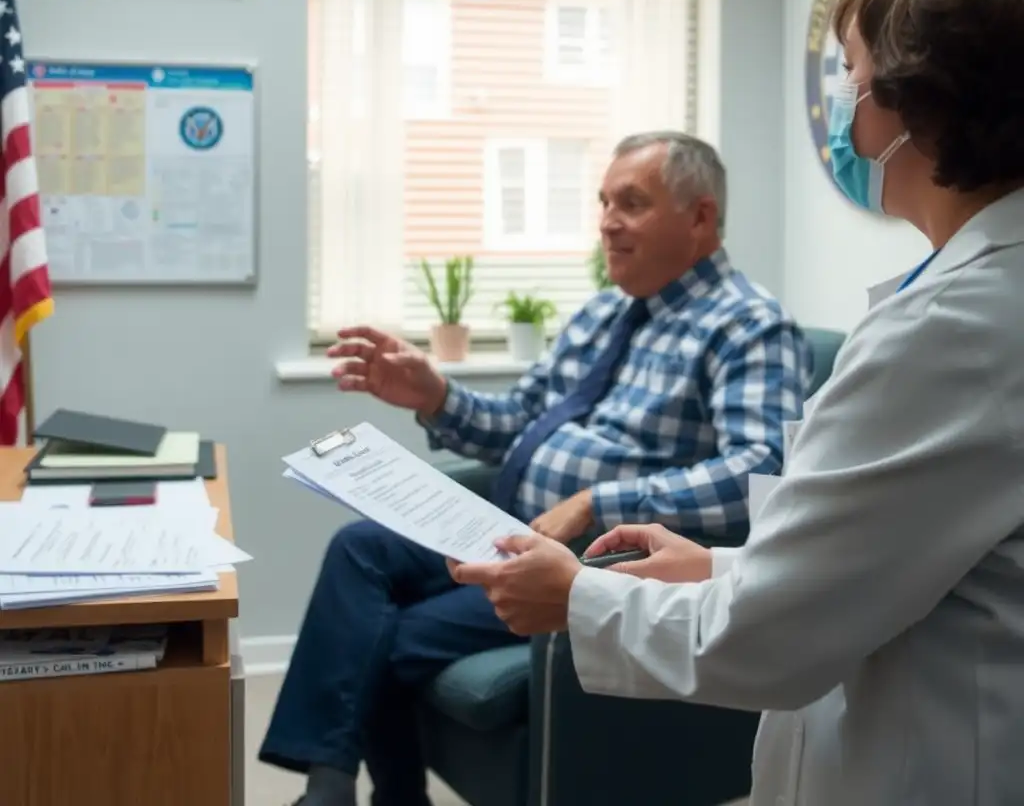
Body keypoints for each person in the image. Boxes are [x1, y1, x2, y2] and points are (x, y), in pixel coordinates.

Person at [451, 0, 1024, 806]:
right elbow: (885, 560)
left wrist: (578, 599)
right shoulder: (968, 299)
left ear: (916, 101)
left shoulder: (954, 328)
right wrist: (717, 568)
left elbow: (775, 637)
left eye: (851, 78)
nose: (845, 108)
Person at [260, 132, 810, 806]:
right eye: (604, 202)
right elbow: (523, 417)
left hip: (590, 556)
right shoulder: (605, 310)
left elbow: (762, 470)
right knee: (360, 548)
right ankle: (332, 783)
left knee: (391, 638)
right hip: (510, 522)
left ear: (699, 218)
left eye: (631, 203)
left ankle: (380, 798)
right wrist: (433, 394)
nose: (607, 221)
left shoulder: (748, 324)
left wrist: (599, 502)